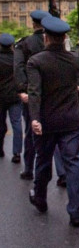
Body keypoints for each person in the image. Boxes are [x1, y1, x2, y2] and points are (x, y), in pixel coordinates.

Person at [27, 15, 79, 226]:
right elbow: (77, 84)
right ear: (64, 38)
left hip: (47, 121)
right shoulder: (75, 60)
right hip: (71, 119)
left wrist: (34, 118)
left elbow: (35, 93)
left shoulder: (36, 61)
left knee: (43, 162)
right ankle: (76, 209)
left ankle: (41, 198)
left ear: (46, 37)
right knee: (74, 162)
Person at [14, 9, 67, 186]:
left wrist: (23, 90)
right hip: (54, 94)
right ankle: (62, 172)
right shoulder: (54, 42)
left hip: (33, 95)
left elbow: (19, 68)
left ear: (33, 23)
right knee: (57, 133)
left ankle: (29, 169)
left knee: (31, 133)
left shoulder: (24, 44)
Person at [0, 33, 22, 163]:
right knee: (17, 123)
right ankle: (17, 152)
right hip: (15, 95)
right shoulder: (16, 59)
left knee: (0, 123)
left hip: (1, 96)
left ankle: (0, 148)